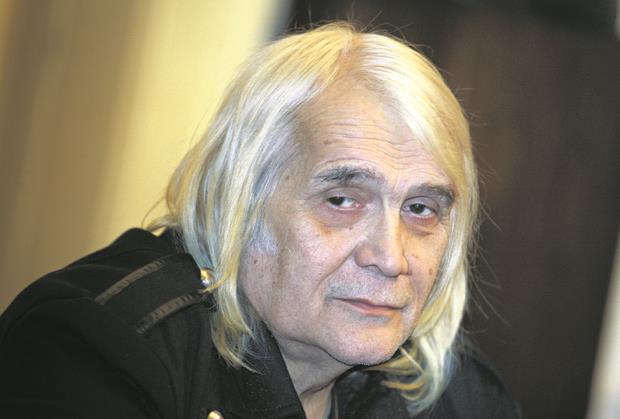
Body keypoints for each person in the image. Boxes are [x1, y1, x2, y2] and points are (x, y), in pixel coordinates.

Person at [0, 23, 519, 419]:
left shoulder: (460, 398)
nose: (390, 257)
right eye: (342, 200)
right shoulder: (101, 347)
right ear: (242, 201)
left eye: (421, 209)